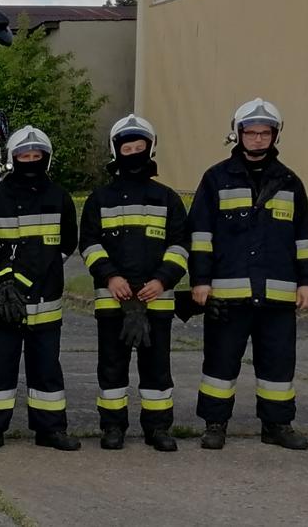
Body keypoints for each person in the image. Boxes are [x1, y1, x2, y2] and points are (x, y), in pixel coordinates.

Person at [190, 98, 308, 451]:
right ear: (238, 134)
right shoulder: (215, 179)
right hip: (227, 295)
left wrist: (306, 282)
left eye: (265, 133)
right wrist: (200, 281)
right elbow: (200, 235)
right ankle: (215, 425)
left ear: (275, 136)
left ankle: (277, 425)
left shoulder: (290, 182)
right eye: (251, 132)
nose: (258, 139)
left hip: (277, 295)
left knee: (277, 364)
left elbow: (303, 239)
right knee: (219, 363)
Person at [80, 114, 189, 451]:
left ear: (150, 149)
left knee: (157, 369)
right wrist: (111, 277)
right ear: (116, 151)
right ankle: (112, 428)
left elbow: (180, 245)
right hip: (113, 299)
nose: (134, 153)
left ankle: (158, 429)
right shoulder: (100, 199)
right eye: (127, 147)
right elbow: (89, 244)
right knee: (111, 369)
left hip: (157, 299)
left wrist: (162, 280)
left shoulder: (168, 198)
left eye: (140, 147)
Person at [0, 127, 81, 452]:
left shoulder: (58, 197)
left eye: (36, 156)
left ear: (45, 159)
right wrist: (5, 280)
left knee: (46, 370)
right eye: (24, 156)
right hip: (0, 300)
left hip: (44, 300)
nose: (30, 161)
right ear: (12, 159)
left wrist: (31, 276)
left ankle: (51, 430)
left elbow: (66, 244)